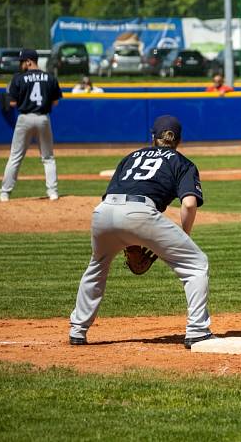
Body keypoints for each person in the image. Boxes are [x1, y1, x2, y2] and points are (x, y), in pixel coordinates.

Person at [69, 115, 214, 349]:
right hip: (140, 213)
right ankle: (197, 330)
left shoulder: (130, 156)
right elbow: (188, 204)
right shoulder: (182, 162)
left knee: (97, 265)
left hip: (103, 212)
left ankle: (77, 329)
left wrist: (128, 242)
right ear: (178, 140)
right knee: (196, 264)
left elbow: (114, 201)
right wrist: (184, 236)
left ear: (152, 137)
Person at [0, 48, 62, 202]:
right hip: (43, 118)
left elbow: (12, 103)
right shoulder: (50, 77)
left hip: (25, 118)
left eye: (22, 61)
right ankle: (52, 193)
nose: (21, 65)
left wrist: (24, 100)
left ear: (29, 61)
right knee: (48, 157)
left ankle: (5, 193)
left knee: (15, 156)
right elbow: (55, 102)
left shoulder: (18, 78)